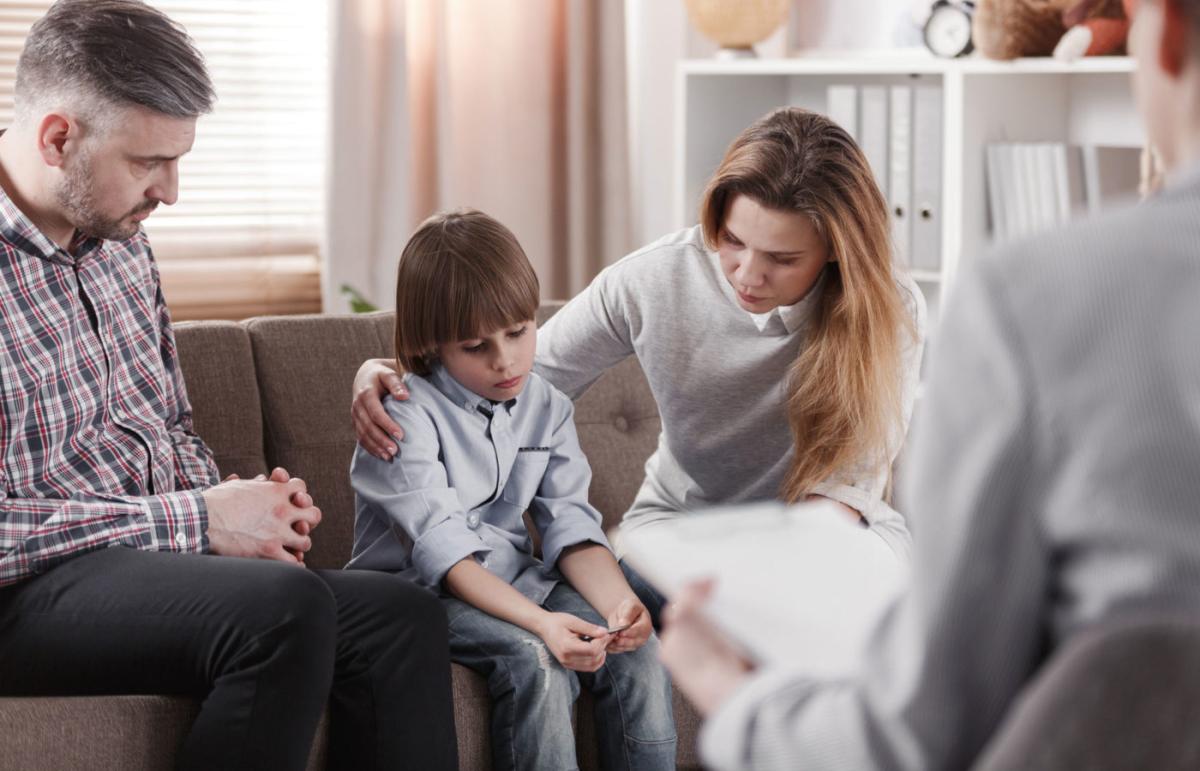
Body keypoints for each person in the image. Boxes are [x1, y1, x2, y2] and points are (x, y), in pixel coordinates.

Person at [655, 0, 1200, 768]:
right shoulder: (658, 278)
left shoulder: (1035, 298)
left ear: (1166, 32)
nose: (748, 271)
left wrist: (736, 699)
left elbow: (920, 730)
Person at [0, 3, 456, 769]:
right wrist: (194, 522)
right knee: (283, 613)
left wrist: (251, 518)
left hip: (140, 568)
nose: (170, 192)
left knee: (400, 617)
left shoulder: (121, 245)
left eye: (180, 161)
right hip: (24, 593)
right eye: (149, 163)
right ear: (58, 139)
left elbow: (168, 427)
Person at [350, 108, 927, 622]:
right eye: (731, 240)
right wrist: (395, 372)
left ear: (835, 250)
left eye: (782, 258)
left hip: (826, 536)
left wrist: (773, 581)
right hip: (681, 530)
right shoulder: (655, 278)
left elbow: (844, 493)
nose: (748, 274)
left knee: (850, 612)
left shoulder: (889, 311)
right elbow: (523, 376)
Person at [349, 209, 676, 771]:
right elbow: (446, 557)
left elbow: (571, 527)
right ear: (433, 345)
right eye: (476, 346)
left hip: (518, 580)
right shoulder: (402, 417)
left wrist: (618, 604)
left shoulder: (545, 403)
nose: (505, 360)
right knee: (536, 661)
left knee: (639, 652)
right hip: (421, 598)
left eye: (519, 333)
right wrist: (544, 623)